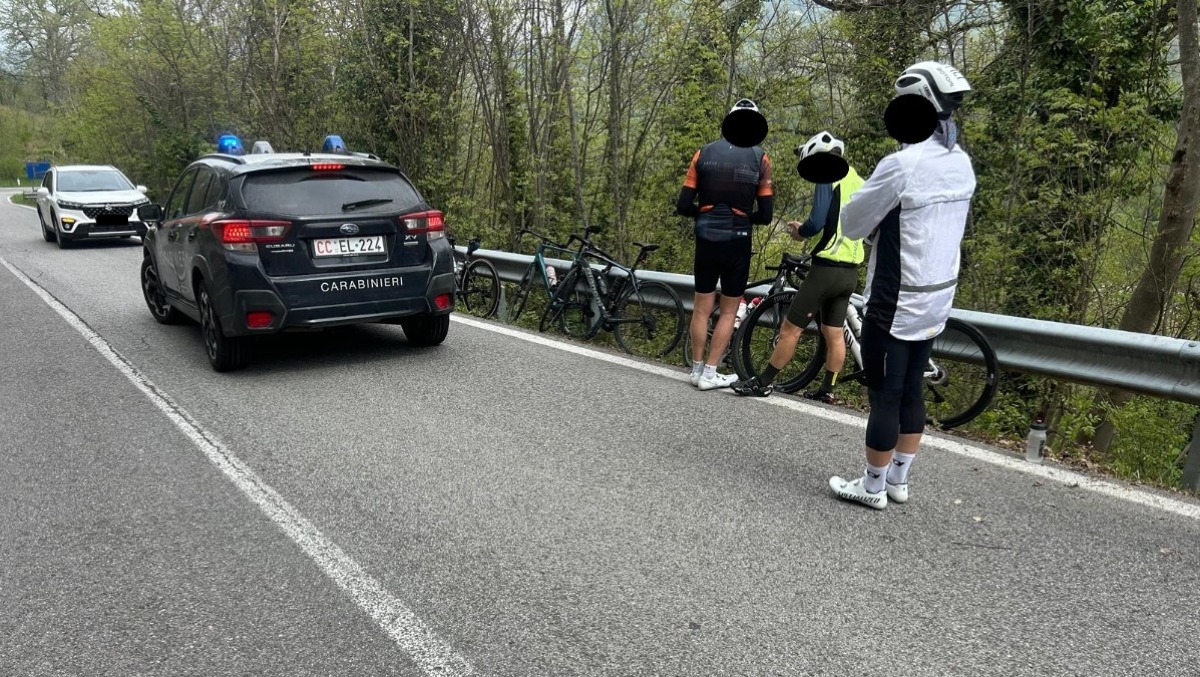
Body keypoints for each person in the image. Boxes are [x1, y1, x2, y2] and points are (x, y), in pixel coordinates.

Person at [827, 61, 976, 510]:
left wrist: (879, 219)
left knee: (885, 394)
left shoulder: (902, 164)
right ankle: (898, 480)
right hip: (937, 299)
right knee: (912, 387)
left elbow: (852, 224)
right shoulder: (961, 162)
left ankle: (872, 487)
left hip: (896, 300)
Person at [731, 131, 865, 402]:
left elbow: (817, 221)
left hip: (825, 270)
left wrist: (800, 232)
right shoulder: (858, 181)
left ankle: (763, 383)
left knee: (790, 330)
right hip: (850, 273)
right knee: (834, 333)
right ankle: (827, 390)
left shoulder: (828, 175)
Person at [676, 99, 774, 391]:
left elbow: (683, 205)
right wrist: (742, 217)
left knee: (701, 308)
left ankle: (696, 369)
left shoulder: (703, 153)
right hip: (737, 241)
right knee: (729, 310)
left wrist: (705, 213)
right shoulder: (761, 159)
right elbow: (766, 215)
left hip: (706, 238)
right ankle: (710, 373)